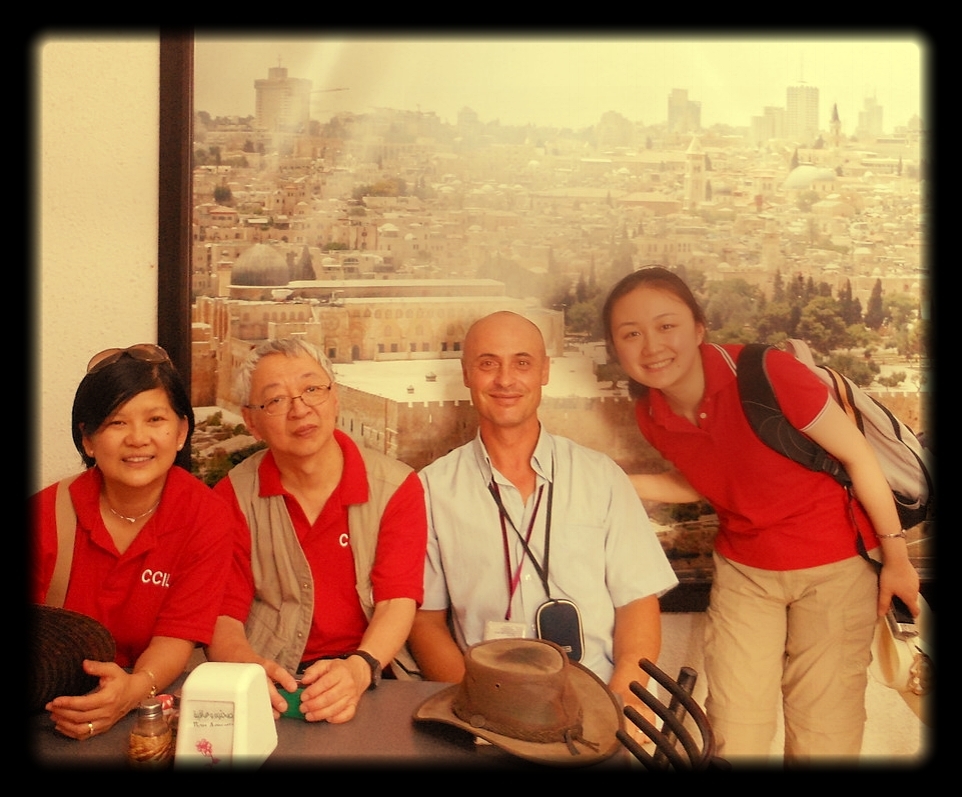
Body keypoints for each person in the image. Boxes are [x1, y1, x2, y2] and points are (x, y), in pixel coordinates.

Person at [602, 266, 921, 765]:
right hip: (746, 571)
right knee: (731, 723)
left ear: (699, 327)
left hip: (835, 567)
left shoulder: (769, 374)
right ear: (615, 348)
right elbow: (710, 477)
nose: (651, 346)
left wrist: (897, 560)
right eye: (631, 334)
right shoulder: (652, 414)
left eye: (667, 326)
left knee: (825, 725)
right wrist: (617, 481)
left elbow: (859, 457)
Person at [407, 311, 678, 733]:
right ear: (466, 374)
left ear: (544, 371)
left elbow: (637, 601)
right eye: (487, 363)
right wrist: (479, 708)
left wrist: (623, 696)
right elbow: (425, 622)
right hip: (488, 715)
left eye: (522, 362)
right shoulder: (431, 489)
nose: (505, 379)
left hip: (601, 701)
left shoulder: (601, 477)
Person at [206, 337, 427, 724]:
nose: (300, 409)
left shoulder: (396, 487)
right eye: (275, 400)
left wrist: (360, 668)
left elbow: (397, 600)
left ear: (335, 397)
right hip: (274, 681)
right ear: (251, 421)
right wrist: (247, 670)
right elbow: (223, 615)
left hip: (371, 673)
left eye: (312, 389)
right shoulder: (232, 496)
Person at [31, 344, 234, 740]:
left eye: (155, 419)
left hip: (148, 710)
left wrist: (132, 692)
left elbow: (177, 635)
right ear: (88, 440)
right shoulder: (45, 514)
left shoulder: (205, 516)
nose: (138, 438)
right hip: (50, 712)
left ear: (180, 432)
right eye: (116, 423)